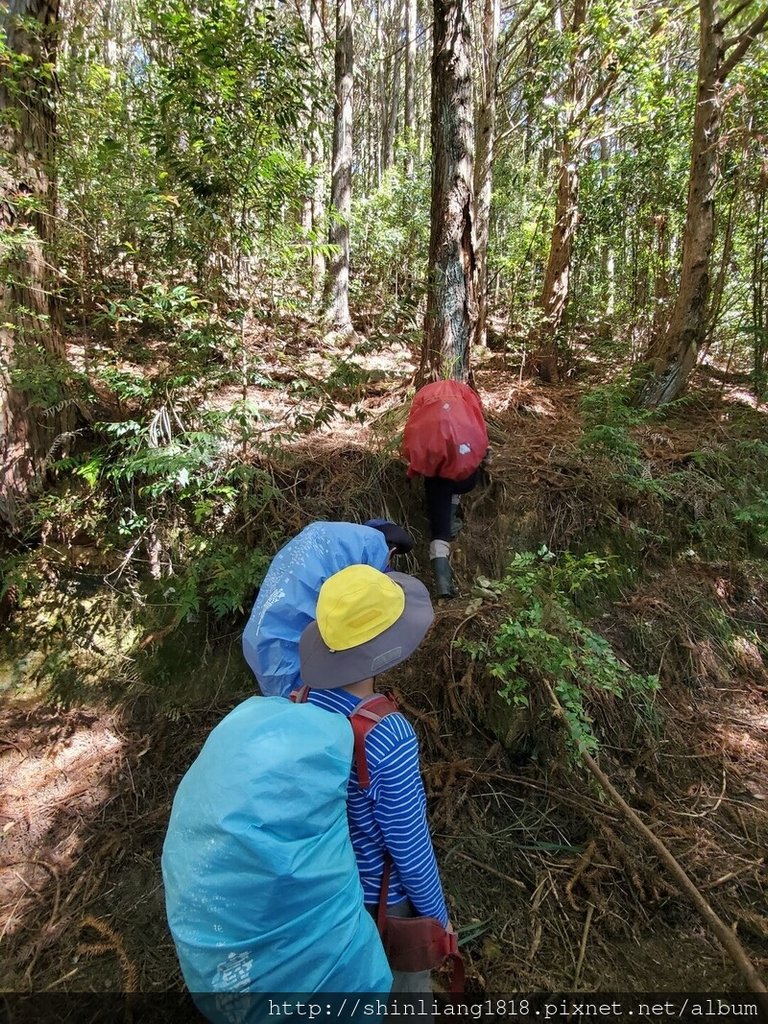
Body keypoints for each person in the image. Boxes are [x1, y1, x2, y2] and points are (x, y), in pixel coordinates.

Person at [298, 564, 451, 993]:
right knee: (405, 1000)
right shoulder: (388, 734)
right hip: (380, 899)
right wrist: (438, 918)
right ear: (383, 641)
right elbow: (409, 842)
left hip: (326, 889)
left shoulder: (303, 702)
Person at [242, 519, 413, 697]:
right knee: (304, 701)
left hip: (261, 637)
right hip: (287, 649)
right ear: (392, 550)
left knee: (288, 702)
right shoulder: (370, 550)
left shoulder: (331, 535)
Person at [402, 380, 489, 599]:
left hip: (435, 474)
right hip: (464, 477)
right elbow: (480, 436)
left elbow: (411, 440)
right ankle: (451, 519)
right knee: (457, 480)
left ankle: (443, 584)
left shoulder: (424, 399)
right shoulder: (467, 398)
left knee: (439, 531)